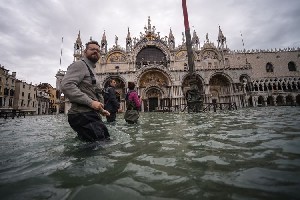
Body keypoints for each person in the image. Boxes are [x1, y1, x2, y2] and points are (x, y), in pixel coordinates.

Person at [61, 40, 111, 142]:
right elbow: (66, 85)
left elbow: (91, 93)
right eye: (92, 49)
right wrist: (91, 103)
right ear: (84, 51)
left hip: (89, 115)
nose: (95, 51)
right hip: (82, 115)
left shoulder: (91, 69)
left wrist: (101, 110)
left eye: (97, 50)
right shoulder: (80, 64)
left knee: (101, 143)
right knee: (100, 146)